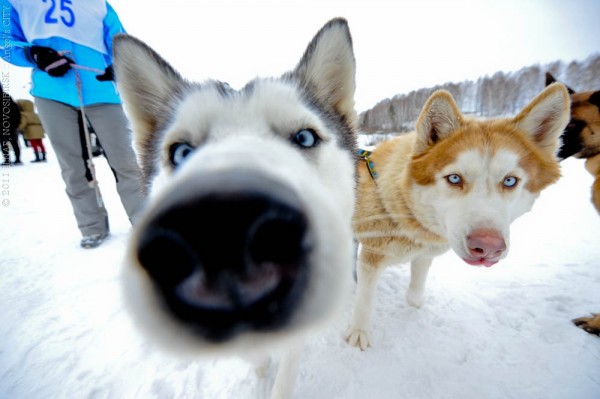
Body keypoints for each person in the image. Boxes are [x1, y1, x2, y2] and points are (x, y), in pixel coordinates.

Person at [1, 1, 146, 248]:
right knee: (73, 167)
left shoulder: (98, 3)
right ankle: (91, 226)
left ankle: (144, 221)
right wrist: (33, 54)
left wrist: (120, 62)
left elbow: (118, 36)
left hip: (100, 87)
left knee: (125, 162)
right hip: (51, 91)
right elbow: (5, 40)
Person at [1, 83, 22, 165]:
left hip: (9, 124)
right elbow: (16, 111)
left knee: (6, 143)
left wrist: (16, 123)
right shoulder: (6, 96)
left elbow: (15, 111)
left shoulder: (6, 97)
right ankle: (16, 159)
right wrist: (16, 123)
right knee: (12, 142)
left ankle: (9, 159)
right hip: (10, 124)